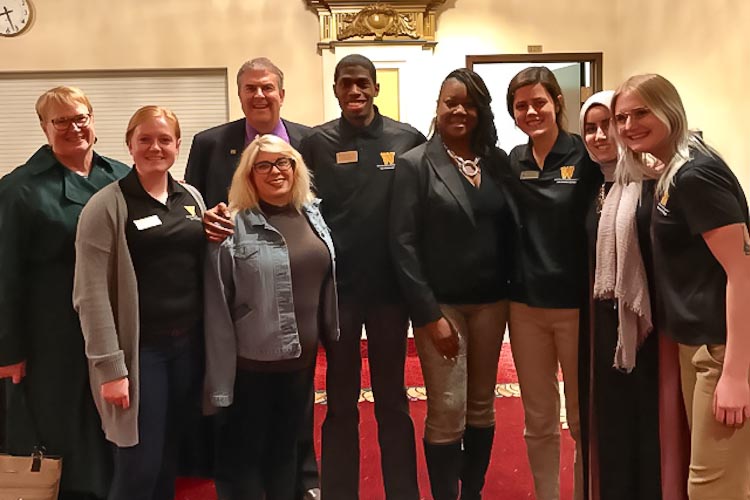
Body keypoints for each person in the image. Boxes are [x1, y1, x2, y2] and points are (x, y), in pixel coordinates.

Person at [185, 58, 320, 499]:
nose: (259, 96)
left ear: (282, 92)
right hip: (244, 314)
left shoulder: (311, 141)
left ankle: (301, 484)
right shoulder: (210, 144)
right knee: (243, 435)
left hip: (300, 328)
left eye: (267, 88)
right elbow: (193, 209)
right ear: (239, 94)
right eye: (250, 89)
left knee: (291, 429)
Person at [612, 73, 750, 500]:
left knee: (711, 487)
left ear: (668, 109)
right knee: (719, 478)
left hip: (720, 349)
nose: (629, 124)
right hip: (699, 346)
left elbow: (743, 273)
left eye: (641, 112)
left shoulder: (696, 174)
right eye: (622, 117)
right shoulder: (672, 170)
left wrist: (736, 374)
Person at [299, 54, 426, 500]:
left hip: (391, 292)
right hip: (338, 294)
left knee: (393, 399)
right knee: (339, 401)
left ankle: (404, 493)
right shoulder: (314, 144)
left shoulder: (407, 138)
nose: (355, 91)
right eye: (346, 84)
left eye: (363, 84)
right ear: (335, 89)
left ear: (375, 88)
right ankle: (338, 493)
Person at [0, 86, 129, 500]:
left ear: (93, 120)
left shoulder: (123, 176)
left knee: (112, 422)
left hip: (115, 324)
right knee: (64, 429)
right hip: (51, 333)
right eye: (60, 121)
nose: (74, 128)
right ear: (44, 128)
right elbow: (5, 274)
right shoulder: (18, 189)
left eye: (80, 118)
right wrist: (9, 350)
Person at [390, 68, 513, 500]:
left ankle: (472, 493)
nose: (459, 110)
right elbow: (402, 244)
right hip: (442, 307)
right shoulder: (415, 164)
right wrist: (428, 315)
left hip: (492, 303)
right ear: (438, 108)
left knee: (482, 405)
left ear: (480, 110)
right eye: (450, 102)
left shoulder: (498, 162)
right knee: (446, 408)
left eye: (468, 103)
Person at [73, 106, 206, 500]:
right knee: (138, 467)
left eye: (164, 139)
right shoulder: (107, 205)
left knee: (168, 459)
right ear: (129, 145)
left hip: (187, 350)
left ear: (178, 146)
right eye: (144, 139)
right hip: (141, 354)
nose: (155, 147)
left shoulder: (191, 196)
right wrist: (111, 368)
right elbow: (90, 293)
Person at [203, 134, 339, 500]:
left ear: (296, 168)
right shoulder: (231, 225)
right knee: (244, 463)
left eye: (283, 163)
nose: (275, 171)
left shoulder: (311, 212)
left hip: (301, 362)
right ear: (249, 175)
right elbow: (217, 305)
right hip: (253, 366)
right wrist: (218, 379)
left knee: (285, 456)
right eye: (263, 165)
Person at [504, 66, 602, 500]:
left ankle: (584, 493)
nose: (531, 111)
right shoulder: (513, 161)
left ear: (557, 103)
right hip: (525, 306)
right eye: (521, 105)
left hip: (577, 306)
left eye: (538, 102)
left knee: (582, 418)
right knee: (539, 417)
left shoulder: (586, 157)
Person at [581, 91, 663, 499]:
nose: (599, 136)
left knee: (648, 430)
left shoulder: (652, 183)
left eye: (607, 125)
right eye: (589, 128)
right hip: (603, 328)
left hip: (647, 327)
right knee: (611, 427)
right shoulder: (594, 187)